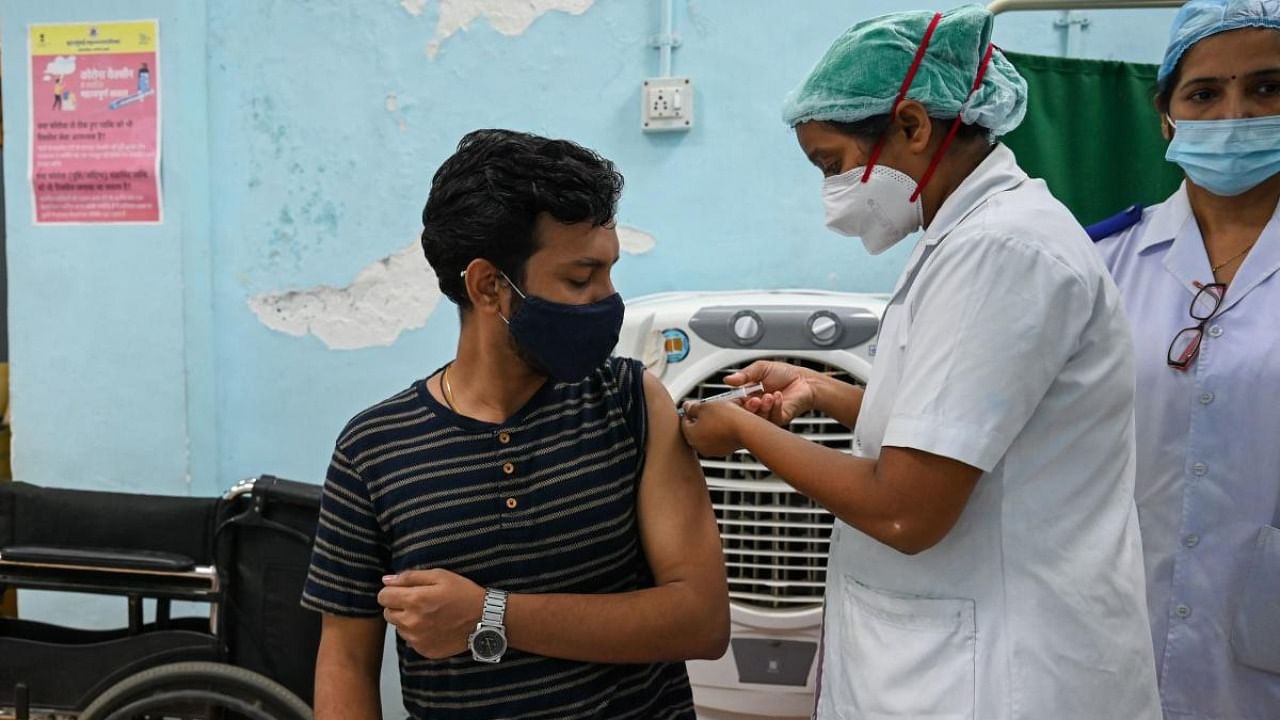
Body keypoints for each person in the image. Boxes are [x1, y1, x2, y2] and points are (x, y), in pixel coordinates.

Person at [679, 6, 1161, 719]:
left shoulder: (1001, 253)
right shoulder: (966, 237)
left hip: (997, 671)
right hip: (946, 652)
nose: (833, 195)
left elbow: (907, 510)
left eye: (833, 165)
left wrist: (742, 433)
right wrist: (822, 390)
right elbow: (968, 422)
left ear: (912, 125)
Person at [302, 129, 729, 720]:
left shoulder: (633, 403)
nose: (608, 299)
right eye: (581, 279)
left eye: (608, 272)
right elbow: (345, 663)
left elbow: (701, 621)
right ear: (489, 287)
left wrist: (490, 614)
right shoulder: (373, 451)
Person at [1092, 1, 1280, 717]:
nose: (1235, 115)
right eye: (1205, 93)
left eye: (1268, 88)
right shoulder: (1100, 263)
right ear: (1166, 114)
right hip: (1110, 629)